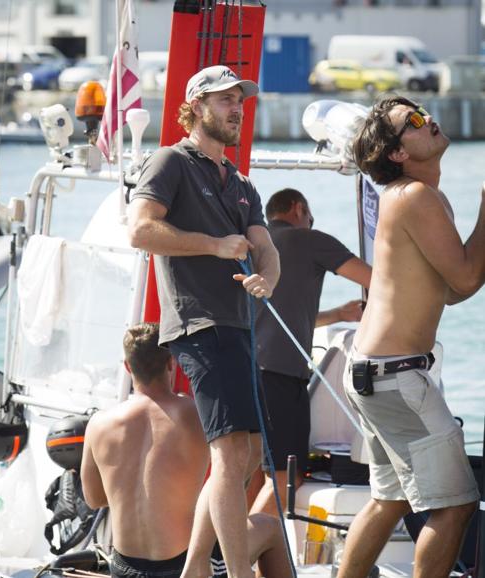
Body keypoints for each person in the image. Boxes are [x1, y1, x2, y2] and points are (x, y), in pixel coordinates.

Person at [127, 65, 280, 578]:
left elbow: (265, 246)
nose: (236, 108)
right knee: (233, 452)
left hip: (236, 326)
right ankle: (233, 574)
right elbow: (141, 231)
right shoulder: (170, 160)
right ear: (195, 108)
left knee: (248, 453)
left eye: (240, 100)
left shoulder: (239, 182)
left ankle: (194, 570)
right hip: (199, 325)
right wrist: (215, 246)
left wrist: (270, 278)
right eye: (224, 100)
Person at [338, 96, 484, 578]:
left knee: (390, 498)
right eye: (414, 122)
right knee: (456, 505)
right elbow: (464, 280)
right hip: (395, 377)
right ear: (397, 153)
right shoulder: (415, 197)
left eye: (424, 113)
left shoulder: (408, 198)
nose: (430, 120)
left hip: (372, 373)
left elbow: (446, 291)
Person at [81, 322, 292, 578]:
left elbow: (94, 499)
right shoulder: (196, 413)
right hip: (183, 566)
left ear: (127, 366)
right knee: (270, 528)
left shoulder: (99, 424)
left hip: (124, 568)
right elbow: (242, 463)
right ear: (172, 363)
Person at [249, 188, 372, 516]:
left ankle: (241, 560)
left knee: (247, 476)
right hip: (279, 376)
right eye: (310, 219)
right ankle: (240, 561)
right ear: (297, 209)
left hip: (244, 371)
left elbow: (283, 314)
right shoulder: (309, 240)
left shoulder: (253, 244)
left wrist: (339, 315)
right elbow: (376, 279)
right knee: (285, 481)